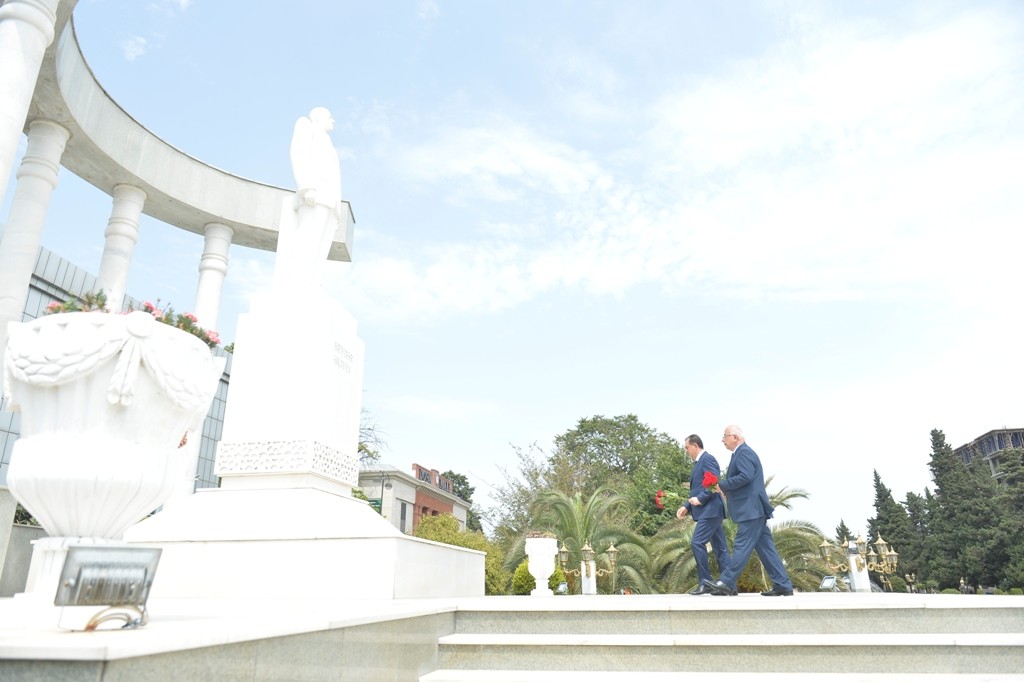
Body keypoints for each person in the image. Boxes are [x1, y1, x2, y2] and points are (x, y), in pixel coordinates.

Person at [703, 425, 794, 597]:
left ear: (735, 437)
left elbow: (746, 476)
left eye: (725, 436)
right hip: (752, 509)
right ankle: (783, 584)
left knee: (741, 545)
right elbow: (745, 479)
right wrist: (724, 488)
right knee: (766, 549)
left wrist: (722, 484)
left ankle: (727, 581)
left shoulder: (743, 453)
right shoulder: (741, 453)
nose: (722, 440)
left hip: (750, 509)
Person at [274, 107, 343, 290]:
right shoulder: (306, 126)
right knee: (307, 238)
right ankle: (298, 281)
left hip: (329, 199)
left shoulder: (329, 144)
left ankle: (312, 282)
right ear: (319, 117)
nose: (333, 120)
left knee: (321, 245)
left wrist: (337, 208)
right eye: (330, 116)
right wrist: (306, 187)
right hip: (315, 193)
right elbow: (298, 155)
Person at [676, 434, 731, 595]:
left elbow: (713, 482)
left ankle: (704, 582)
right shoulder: (699, 463)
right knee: (720, 548)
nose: (686, 451)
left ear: (695, 445)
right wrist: (687, 506)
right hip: (710, 510)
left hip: (711, 510)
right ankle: (729, 584)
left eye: (687, 447)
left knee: (697, 542)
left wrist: (700, 499)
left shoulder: (707, 459)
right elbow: (700, 487)